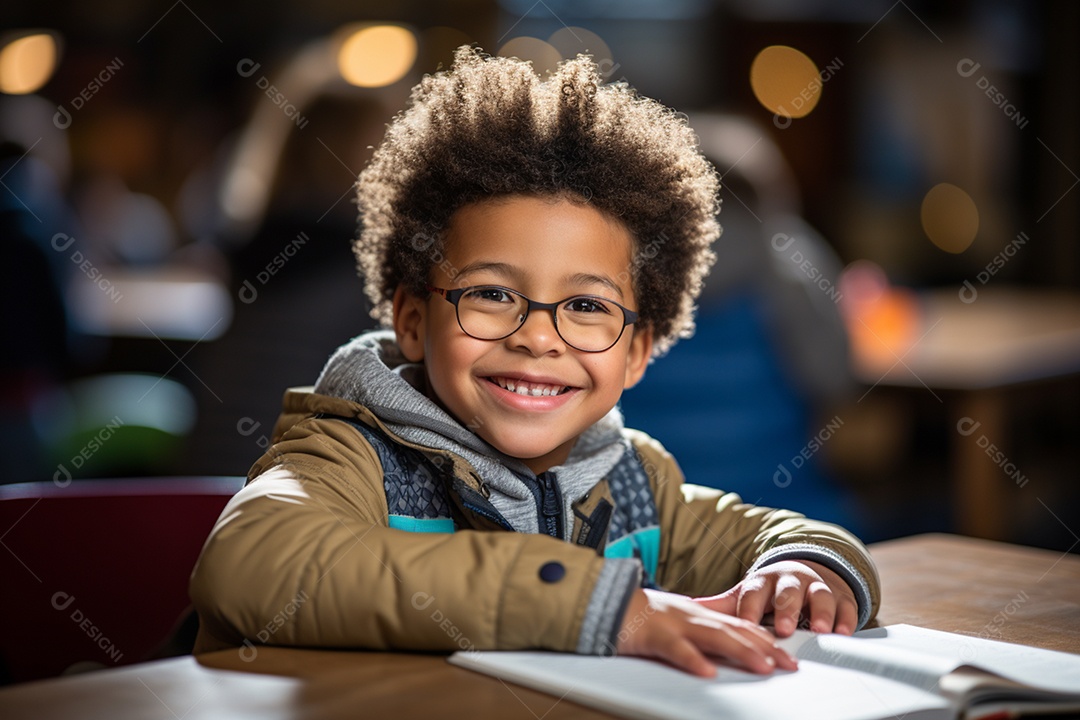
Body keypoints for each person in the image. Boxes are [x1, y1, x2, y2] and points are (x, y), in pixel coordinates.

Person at [189, 46, 879, 678]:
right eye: (492, 294)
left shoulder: (634, 481)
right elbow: (251, 565)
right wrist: (593, 606)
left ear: (639, 351)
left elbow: (779, 533)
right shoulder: (350, 455)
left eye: (587, 307)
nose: (539, 338)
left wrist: (804, 568)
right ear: (411, 319)